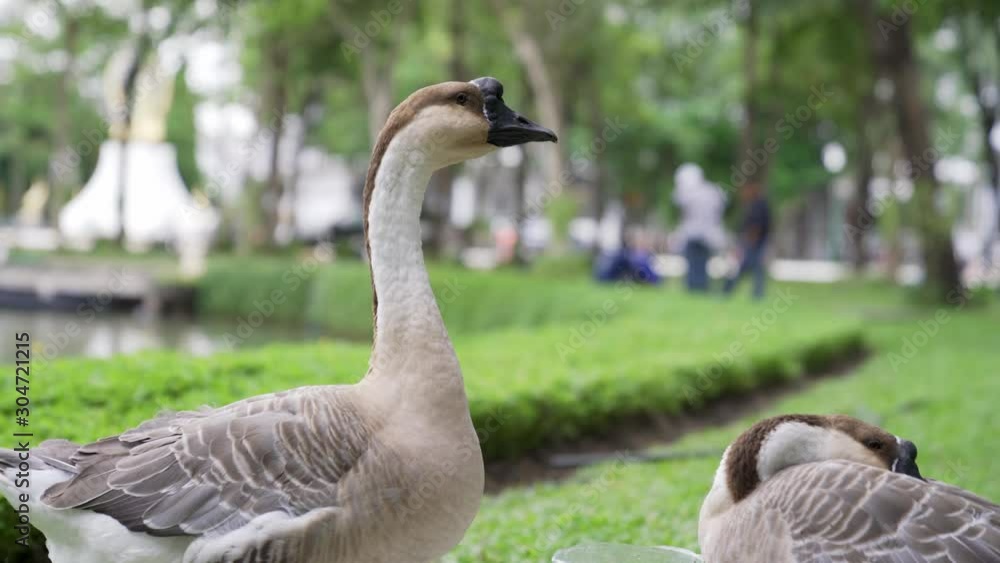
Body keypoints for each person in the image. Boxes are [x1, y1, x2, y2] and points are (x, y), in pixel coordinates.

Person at [673, 164, 726, 292]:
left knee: (693, 263)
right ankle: (701, 287)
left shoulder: (689, 193)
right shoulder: (713, 191)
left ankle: (694, 288)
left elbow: (684, 211)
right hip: (709, 234)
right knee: (701, 263)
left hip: (694, 234)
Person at [724, 181, 771, 299]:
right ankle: (729, 291)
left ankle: (728, 291)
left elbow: (756, 226)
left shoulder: (758, 206)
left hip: (753, 243)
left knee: (746, 268)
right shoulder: (755, 205)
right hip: (753, 242)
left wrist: (748, 242)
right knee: (752, 268)